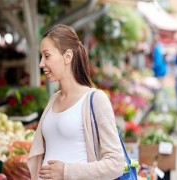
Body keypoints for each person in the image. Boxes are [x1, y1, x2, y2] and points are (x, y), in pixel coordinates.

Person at [27, 24, 124, 180]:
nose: (41, 63)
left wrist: (66, 171)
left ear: (68, 56)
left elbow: (116, 164)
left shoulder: (95, 100)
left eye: (47, 56)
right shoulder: (53, 100)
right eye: (41, 57)